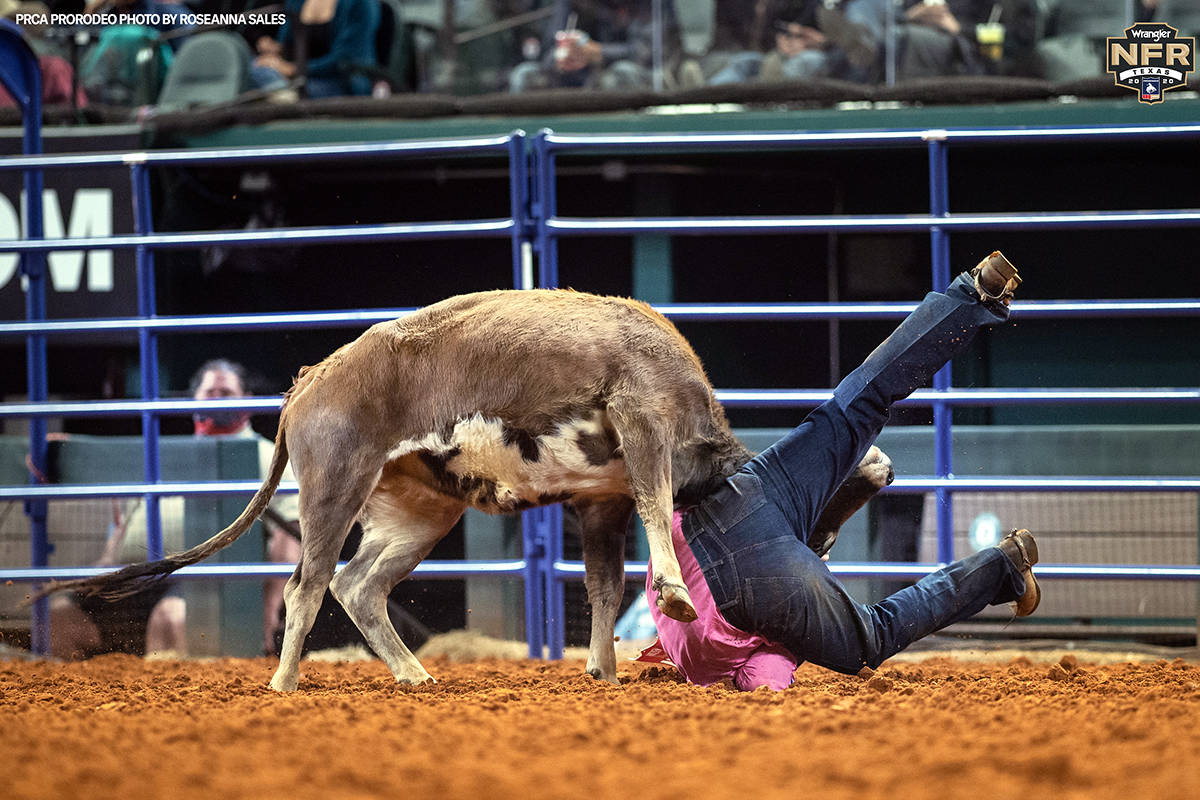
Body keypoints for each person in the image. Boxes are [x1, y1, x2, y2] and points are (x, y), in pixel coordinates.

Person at [644, 252, 1041, 691]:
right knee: (855, 406)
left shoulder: (707, 668)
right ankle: (970, 295)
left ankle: (1003, 566)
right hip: (735, 501)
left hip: (762, 589)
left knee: (871, 638)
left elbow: (769, 681)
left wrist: (796, 625)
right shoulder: (660, 604)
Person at [49, 359, 300, 659]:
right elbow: (126, 524)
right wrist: (104, 565)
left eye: (226, 392)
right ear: (193, 399)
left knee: (172, 617)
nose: (217, 399)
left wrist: (270, 609)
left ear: (247, 400)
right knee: (57, 616)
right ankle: (78, 703)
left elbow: (290, 534)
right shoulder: (167, 454)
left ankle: (174, 705)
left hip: (206, 584)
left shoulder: (267, 456)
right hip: (140, 577)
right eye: (210, 392)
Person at [508, 0, 680, 92]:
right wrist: (564, 56)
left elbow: (647, 53)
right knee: (524, 75)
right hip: (580, 76)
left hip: (644, 74)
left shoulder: (650, 4)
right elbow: (548, 51)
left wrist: (598, 53)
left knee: (620, 76)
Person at [249, 0, 380, 99]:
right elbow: (287, 41)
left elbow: (345, 60)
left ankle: (283, 97)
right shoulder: (297, 3)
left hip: (338, 82)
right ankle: (282, 95)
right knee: (254, 67)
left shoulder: (361, 4)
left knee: (272, 87)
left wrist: (292, 69)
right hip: (296, 78)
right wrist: (275, 53)